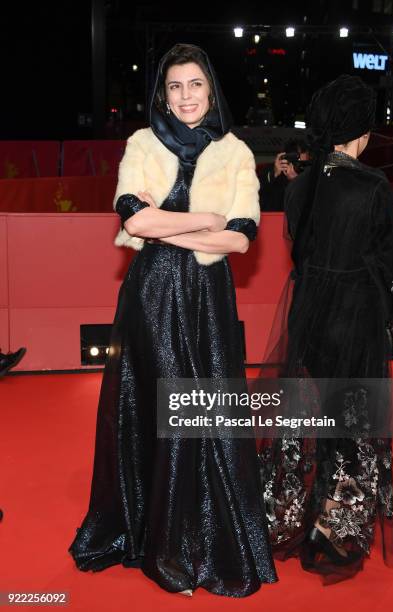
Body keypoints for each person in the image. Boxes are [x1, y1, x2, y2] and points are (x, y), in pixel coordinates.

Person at [68, 43, 277, 597]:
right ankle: (163, 548)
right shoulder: (142, 144)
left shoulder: (234, 152)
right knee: (164, 410)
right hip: (154, 296)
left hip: (207, 299)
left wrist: (173, 224)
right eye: (175, 87)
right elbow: (133, 221)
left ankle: (201, 543)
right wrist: (204, 218)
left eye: (195, 85)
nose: (185, 97)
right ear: (163, 93)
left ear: (211, 90)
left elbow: (240, 235)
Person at [257, 75, 393, 584]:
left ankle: (286, 519)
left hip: (309, 318)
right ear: (362, 133)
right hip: (355, 322)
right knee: (351, 426)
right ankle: (335, 534)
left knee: (305, 421)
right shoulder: (373, 186)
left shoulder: (301, 186)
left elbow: (300, 252)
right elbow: (392, 265)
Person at [259, 138, 310, 212]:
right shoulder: (272, 176)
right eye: (299, 164)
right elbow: (263, 206)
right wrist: (274, 175)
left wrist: (297, 182)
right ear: (287, 159)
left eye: (305, 164)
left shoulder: (309, 177)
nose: (301, 167)